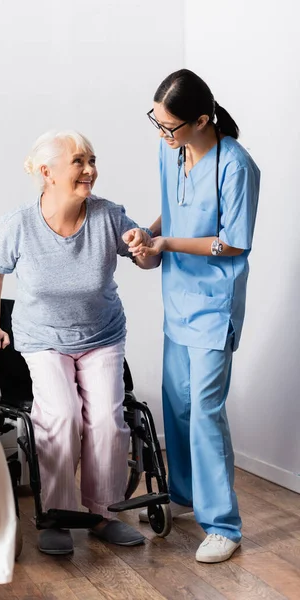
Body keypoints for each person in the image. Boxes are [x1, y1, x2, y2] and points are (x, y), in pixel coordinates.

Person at [0, 130, 152, 555]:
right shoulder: (19, 224)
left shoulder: (110, 216)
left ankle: (103, 514)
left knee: (107, 423)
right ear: (47, 172)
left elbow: (149, 255)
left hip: (102, 334)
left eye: (92, 160)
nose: (90, 170)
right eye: (79, 161)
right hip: (43, 339)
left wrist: (144, 248)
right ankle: (57, 515)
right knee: (60, 416)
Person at [124, 69, 260, 563]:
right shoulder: (171, 150)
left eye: (169, 126)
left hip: (213, 306)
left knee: (204, 413)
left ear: (202, 119)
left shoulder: (236, 166)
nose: (162, 134)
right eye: (157, 124)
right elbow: (171, 208)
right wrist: (148, 236)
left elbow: (234, 241)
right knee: (176, 405)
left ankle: (223, 524)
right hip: (177, 301)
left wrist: (168, 242)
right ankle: (181, 494)